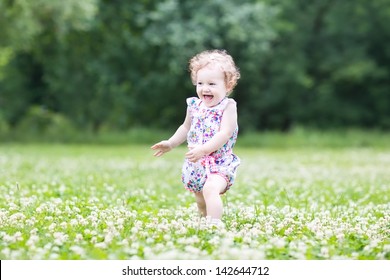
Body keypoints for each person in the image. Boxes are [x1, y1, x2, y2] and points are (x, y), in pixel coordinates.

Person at [151, 49, 240, 227]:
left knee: (210, 189)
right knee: (200, 200)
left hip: (219, 162)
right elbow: (185, 127)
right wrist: (171, 143)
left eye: (212, 84)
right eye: (200, 83)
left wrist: (204, 149)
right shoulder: (194, 105)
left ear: (228, 86)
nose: (205, 88)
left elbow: (226, 132)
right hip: (196, 163)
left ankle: (214, 225)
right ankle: (203, 220)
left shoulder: (227, 107)